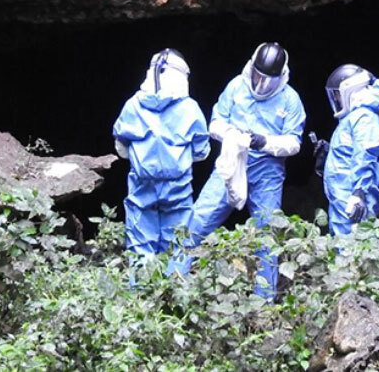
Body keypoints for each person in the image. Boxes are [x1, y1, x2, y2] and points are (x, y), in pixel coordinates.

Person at [173, 42, 306, 300]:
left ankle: (263, 301)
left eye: (268, 80)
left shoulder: (290, 99)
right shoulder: (236, 87)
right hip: (232, 163)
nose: (261, 83)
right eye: (258, 76)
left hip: (267, 171)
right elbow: (215, 123)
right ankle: (173, 283)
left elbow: (294, 142)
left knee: (268, 235)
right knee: (197, 221)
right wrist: (234, 136)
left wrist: (265, 141)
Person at [113, 49, 210, 257]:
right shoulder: (190, 108)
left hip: (142, 182)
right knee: (178, 243)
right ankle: (174, 288)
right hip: (178, 185)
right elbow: (202, 152)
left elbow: (121, 148)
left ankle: (141, 288)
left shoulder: (133, 105)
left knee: (140, 241)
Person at [319, 64, 379, 237]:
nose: (337, 99)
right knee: (342, 247)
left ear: (349, 91)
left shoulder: (363, 117)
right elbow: (349, 154)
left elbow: (367, 152)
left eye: (338, 95)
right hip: (343, 198)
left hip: (352, 199)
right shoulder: (353, 118)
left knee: (353, 247)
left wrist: (359, 193)